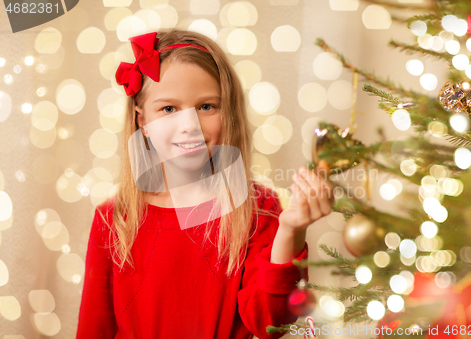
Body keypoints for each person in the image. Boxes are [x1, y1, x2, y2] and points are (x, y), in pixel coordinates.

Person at [76, 29, 334, 339]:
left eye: (206, 107)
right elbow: (94, 328)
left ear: (229, 114)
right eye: (168, 109)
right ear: (142, 121)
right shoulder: (113, 218)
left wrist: (291, 231)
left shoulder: (258, 208)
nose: (189, 126)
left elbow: (271, 323)